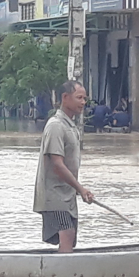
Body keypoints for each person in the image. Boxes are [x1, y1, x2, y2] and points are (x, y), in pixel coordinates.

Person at [33, 80, 95, 253]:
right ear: (65, 98)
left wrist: (78, 190)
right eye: (79, 98)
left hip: (67, 194)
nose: (83, 102)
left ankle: (62, 267)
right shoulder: (55, 126)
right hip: (55, 194)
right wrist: (81, 189)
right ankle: (64, 276)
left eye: (85, 99)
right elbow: (57, 165)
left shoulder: (71, 126)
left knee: (70, 238)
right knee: (67, 233)